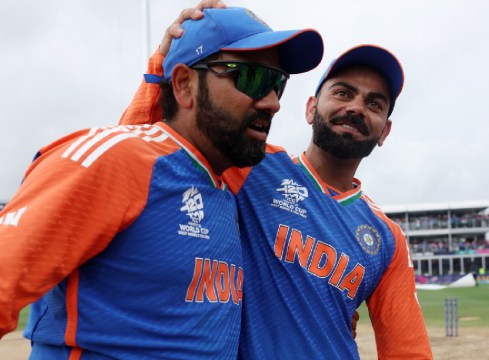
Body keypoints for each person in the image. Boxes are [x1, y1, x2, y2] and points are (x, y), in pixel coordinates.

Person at [0, 7, 323, 359]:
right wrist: (157, 71)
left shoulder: (228, 184)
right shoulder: (113, 159)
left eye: (278, 83)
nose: (273, 102)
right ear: (184, 84)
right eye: (253, 78)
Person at [120, 5, 432, 359]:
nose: (358, 108)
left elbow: (408, 348)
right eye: (343, 93)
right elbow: (143, 152)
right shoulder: (252, 164)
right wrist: (163, 62)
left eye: (375, 104)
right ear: (311, 108)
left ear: (384, 132)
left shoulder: (386, 237)